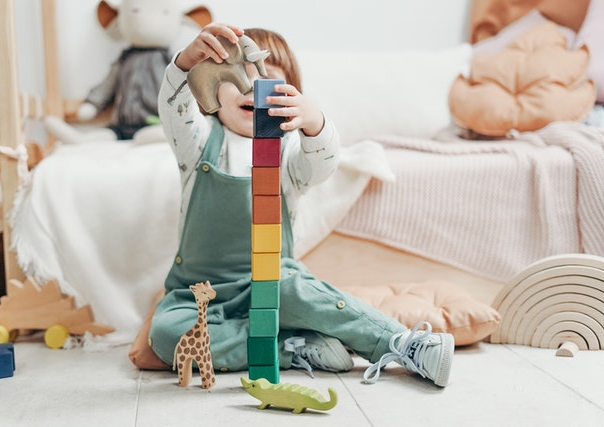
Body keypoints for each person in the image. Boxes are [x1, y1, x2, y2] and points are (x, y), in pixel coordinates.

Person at [148, 23, 454, 387]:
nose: (252, 87)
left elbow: (322, 164)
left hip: (272, 283)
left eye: (266, 79)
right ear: (211, 84)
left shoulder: (290, 149)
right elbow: (173, 106)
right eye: (238, 75)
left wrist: (314, 122)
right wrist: (185, 63)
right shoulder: (197, 141)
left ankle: (403, 343)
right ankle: (293, 347)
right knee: (168, 336)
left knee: (299, 290)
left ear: (291, 97)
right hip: (198, 294)